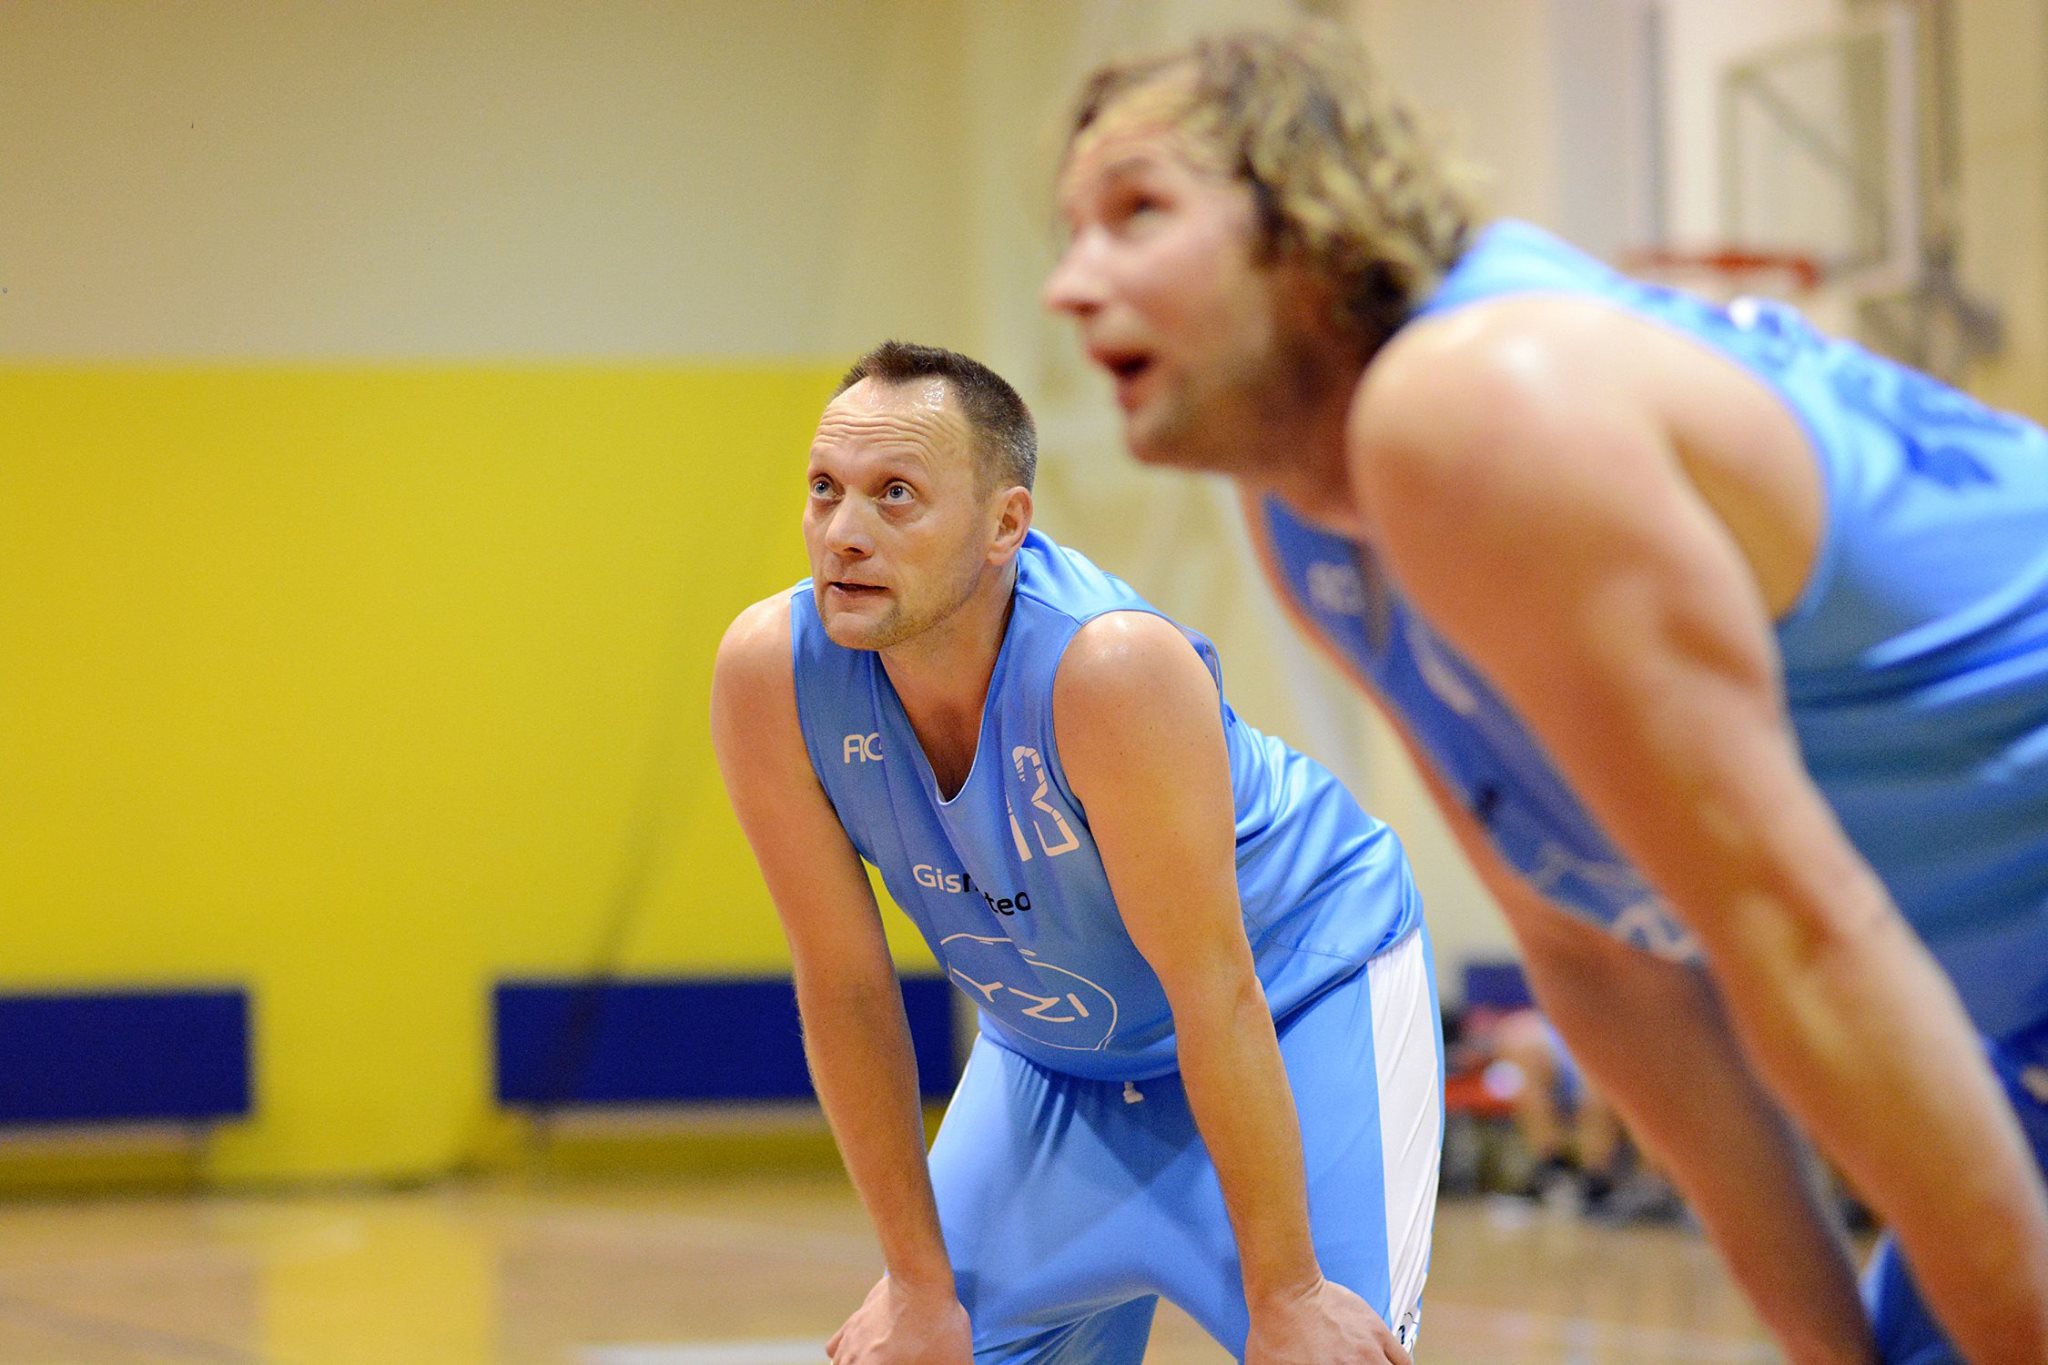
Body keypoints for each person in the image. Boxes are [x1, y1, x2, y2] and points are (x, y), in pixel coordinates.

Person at [1043, 27, 2048, 1365]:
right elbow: (1598, 962)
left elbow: (1804, 933)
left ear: (1307, 226)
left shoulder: (1474, 404)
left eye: (1138, 214)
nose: (1070, 285)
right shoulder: (1309, 518)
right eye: (1071, 232)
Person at [709, 340, 1442, 1364]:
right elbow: (844, 984)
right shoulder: (770, 675)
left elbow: (1214, 984)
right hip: (1055, 1050)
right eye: (825, 489)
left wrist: (1288, 1289)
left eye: (895, 496)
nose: (843, 533)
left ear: (1005, 525)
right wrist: (915, 1284)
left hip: (1288, 1002)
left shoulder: (1111, 667)